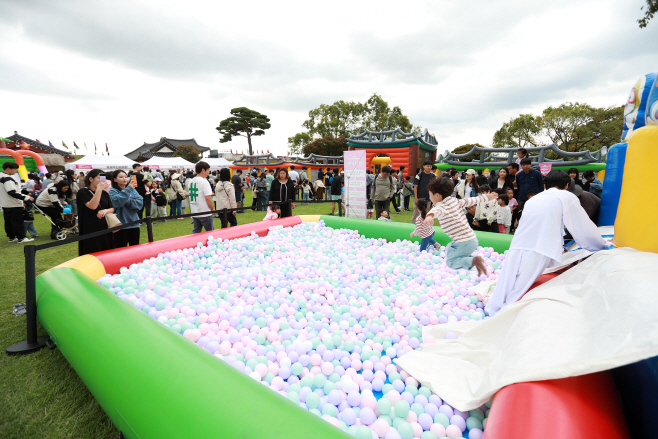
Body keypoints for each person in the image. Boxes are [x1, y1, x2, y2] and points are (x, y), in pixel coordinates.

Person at [485, 170, 608, 316]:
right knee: (520, 287)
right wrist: (601, 245)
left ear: (544, 185)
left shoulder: (535, 198)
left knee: (506, 281)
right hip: (539, 246)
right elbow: (581, 226)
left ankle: (492, 309)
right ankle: (501, 316)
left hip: (518, 244)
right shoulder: (566, 196)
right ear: (567, 185)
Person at [423, 178, 497, 275]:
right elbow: (470, 200)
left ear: (437, 195)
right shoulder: (455, 201)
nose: (429, 197)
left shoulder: (440, 207)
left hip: (464, 242)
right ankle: (473, 262)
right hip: (471, 239)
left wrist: (429, 216)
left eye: (430, 195)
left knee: (450, 262)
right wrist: (487, 197)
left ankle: (473, 261)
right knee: (450, 247)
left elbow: (435, 211)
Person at [76, 169, 115, 255]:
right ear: (91, 179)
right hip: (90, 228)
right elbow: (93, 206)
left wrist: (105, 210)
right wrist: (99, 190)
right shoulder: (82, 192)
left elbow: (112, 209)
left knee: (107, 251)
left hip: (105, 227)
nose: (102, 181)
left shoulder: (105, 194)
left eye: (103, 178)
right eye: (99, 178)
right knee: (92, 251)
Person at [1, 162, 34, 243]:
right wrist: (26, 198)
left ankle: (12, 237)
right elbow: (12, 192)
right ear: (8, 169)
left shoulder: (1, 176)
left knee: (8, 222)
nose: (15, 171)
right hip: (13, 204)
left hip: (5, 203)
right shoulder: (7, 179)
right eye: (14, 169)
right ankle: (21, 238)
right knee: (17, 221)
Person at [110, 169, 143, 247]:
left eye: (125, 176)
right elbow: (118, 202)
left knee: (135, 249)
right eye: (121, 177)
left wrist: (126, 200)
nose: (124, 179)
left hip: (134, 224)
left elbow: (140, 204)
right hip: (120, 226)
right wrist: (128, 191)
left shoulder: (132, 189)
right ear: (115, 179)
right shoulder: (113, 191)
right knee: (121, 251)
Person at [187, 162, 214, 234]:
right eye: (208, 170)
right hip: (204, 211)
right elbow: (208, 198)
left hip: (194, 211)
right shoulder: (204, 182)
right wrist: (212, 208)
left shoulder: (191, 181)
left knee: (196, 231)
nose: (208, 172)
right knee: (210, 233)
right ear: (203, 170)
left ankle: (191, 244)